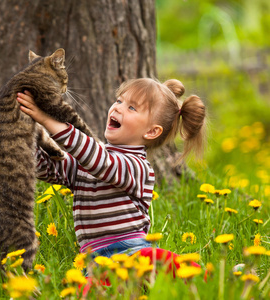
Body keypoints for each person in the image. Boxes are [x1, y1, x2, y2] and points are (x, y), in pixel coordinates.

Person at [17, 77, 206, 278]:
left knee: (162, 264)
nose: (117, 108)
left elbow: (101, 162)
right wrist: (22, 140)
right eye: (119, 101)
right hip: (95, 261)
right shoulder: (91, 159)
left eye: (132, 108)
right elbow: (51, 167)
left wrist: (48, 120)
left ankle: (213, 277)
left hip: (133, 253)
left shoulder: (137, 167)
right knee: (84, 288)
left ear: (151, 131)